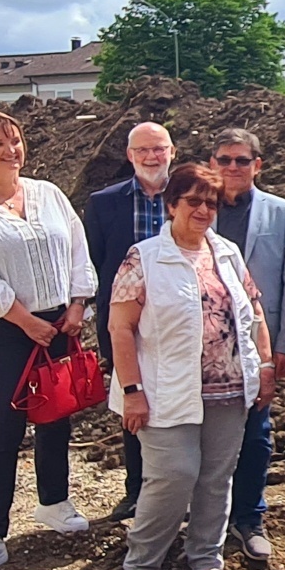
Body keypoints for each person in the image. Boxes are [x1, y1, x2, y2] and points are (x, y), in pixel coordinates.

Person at [107, 162, 277, 570]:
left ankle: (205, 557)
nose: (203, 209)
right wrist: (132, 391)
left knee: (216, 478)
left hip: (228, 391)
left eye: (211, 202)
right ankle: (142, 562)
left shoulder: (227, 254)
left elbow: (254, 312)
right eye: (193, 200)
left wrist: (264, 366)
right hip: (164, 391)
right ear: (171, 204)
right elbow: (120, 329)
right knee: (172, 475)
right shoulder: (142, 257)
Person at [0, 110, 98, 570]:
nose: (11, 150)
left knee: (55, 417)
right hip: (2, 330)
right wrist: (24, 319)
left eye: (15, 141)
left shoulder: (49, 194)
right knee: (1, 431)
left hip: (59, 323)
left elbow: (77, 248)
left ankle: (54, 502)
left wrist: (77, 305)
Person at [210, 129, 285, 564]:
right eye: (225, 160)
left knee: (256, 433)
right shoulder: (195, 209)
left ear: (257, 165)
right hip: (203, 347)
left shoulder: (282, 214)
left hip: (257, 345)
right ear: (212, 163)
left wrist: (284, 345)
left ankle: (249, 517)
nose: (233, 168)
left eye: (242, 160)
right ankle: (206, 517)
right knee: (203, 432)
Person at [85, 121, 175, 521]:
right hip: (126, 323)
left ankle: (177, 492)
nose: (152, 157)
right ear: (130, 156)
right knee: (133, 403)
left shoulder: (189, 196)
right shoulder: (104, 204)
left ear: (172, 152)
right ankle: (137, 490)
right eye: (143, 151)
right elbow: (95, 265)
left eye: (159, 149)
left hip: (179, 321)